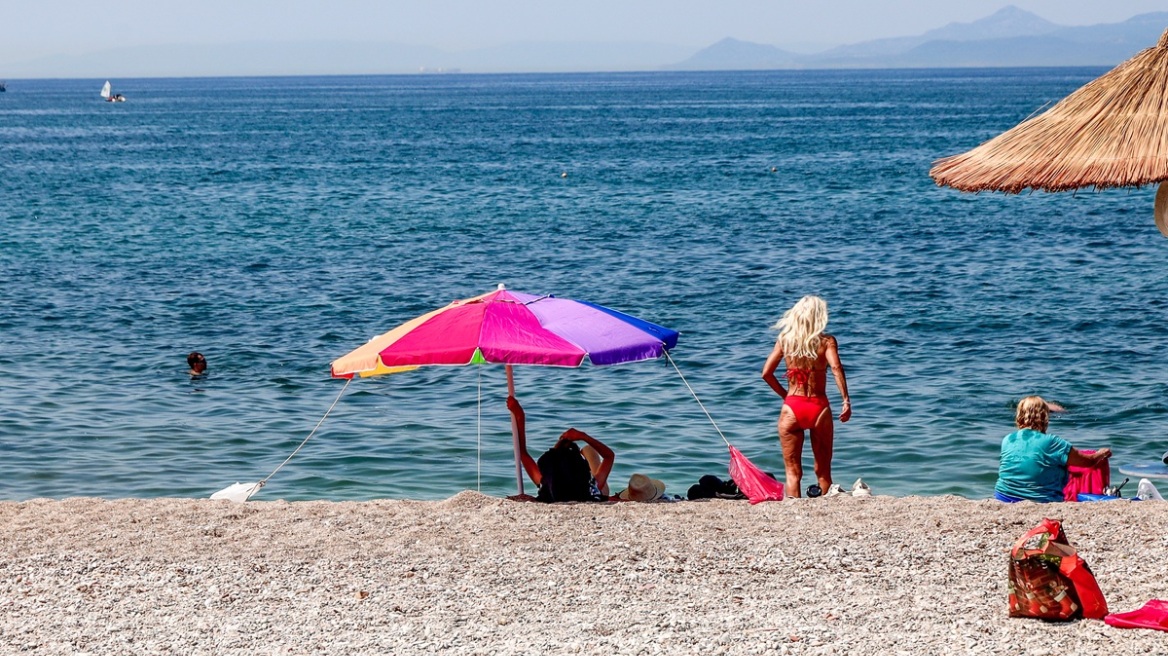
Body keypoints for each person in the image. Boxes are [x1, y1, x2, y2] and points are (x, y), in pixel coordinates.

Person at [761, 295, 851, 498]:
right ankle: (826, 507)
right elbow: (836, 368)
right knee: (823, 470)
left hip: (792, 406)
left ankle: (794, 511)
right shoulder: (827, 341)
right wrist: (845, 399)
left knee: (793, 473)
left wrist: (786, 396)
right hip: (819, 407)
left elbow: (766, 373)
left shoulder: (785, 340)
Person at [994, 395, 1112, 503]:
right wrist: (1101, 453)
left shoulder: (1007, 439)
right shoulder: (1052, 442)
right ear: (1044, 416)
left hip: (1003, 496)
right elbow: (1088, 461)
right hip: (1039, 498)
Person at [507, 395, 613, 502]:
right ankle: (583, 451)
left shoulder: (547, 485)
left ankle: (580, 450)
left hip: (572, 483)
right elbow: (609, 456)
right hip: (599, 491)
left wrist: (520, 415)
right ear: (582, 469)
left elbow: (522, 453)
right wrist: (583, 436)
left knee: (587, 450)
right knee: (589, 450)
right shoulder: (590, 488)